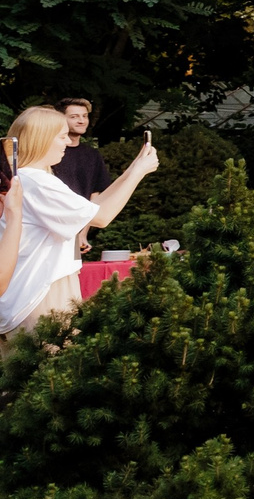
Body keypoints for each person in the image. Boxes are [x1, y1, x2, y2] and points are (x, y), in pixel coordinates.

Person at [0, 106, 159, 342]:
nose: (67, 142)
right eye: (62, 136)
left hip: (29, 292)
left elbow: (92, 211)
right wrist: (137, 173)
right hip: (41, 293)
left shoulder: (28, 178)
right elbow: (102, 217)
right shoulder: (39, 181)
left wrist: (133, 170)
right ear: (42, 140)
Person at [52, 99, 109, 201]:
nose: (82, 121)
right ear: (60, 119)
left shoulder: (92, 154)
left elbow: (96, 191)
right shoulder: (50, 153)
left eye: (85, 116)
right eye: (74, 117)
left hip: (84, 213)